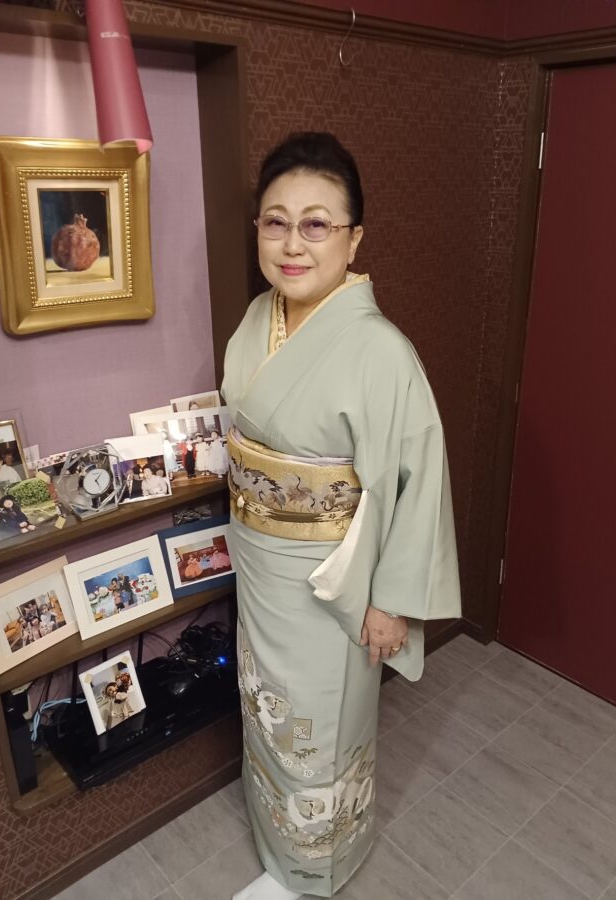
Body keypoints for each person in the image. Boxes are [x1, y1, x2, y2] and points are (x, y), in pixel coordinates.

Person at [221, 132, 461, 900]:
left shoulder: (380, 350)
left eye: (317, 224)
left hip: (331, 582)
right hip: (258, 563)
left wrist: (391, 602)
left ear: (353, 239)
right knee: (267, 709)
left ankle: (315, 869)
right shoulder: (257, 318)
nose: (293, 244)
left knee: (321, 727)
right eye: (275, 222)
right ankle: (278, 851)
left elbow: (416, 482)